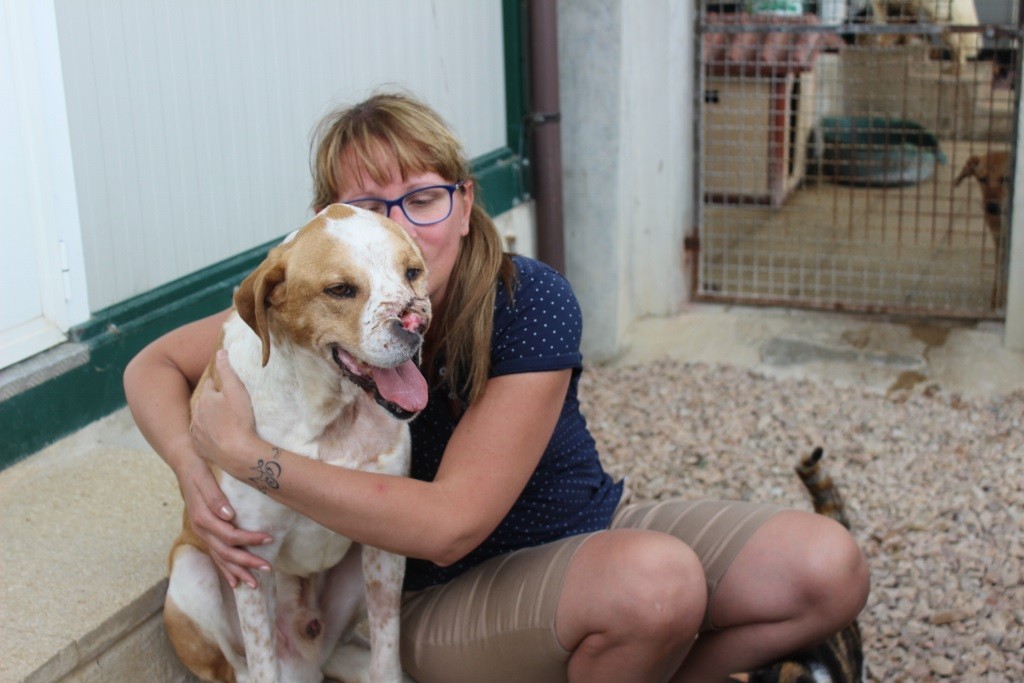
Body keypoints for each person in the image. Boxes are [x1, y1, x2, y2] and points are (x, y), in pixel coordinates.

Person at [123, 91, 869, 683]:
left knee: (828, 569)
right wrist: (197, 470)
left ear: (466, 198)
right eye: (370, 208)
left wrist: (252, 459)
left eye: (422, 197)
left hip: (595, 533)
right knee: (655, 585)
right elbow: (148, 365)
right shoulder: (315, 298)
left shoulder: (527, 299)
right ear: (332, 221)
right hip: (448, 594)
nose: (400, 231)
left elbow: (454, 513)